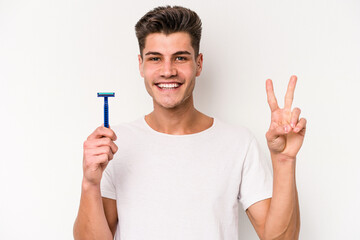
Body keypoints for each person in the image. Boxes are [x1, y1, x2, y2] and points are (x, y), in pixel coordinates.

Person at [73, 5, 307, 240]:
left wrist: (284, 160)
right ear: (141, 65)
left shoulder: (238, 143)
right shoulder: (115, 145)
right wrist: (90, 184)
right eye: (155, 58)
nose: (168, 71)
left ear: (199, 63)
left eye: (180, 58)